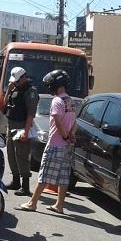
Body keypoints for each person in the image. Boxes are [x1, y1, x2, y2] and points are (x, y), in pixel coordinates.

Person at [19, 70, 77, 214]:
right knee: (64, 176)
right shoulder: (69, 100)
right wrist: (71, 136)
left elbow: (58, 121)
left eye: (50, 85)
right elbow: (75, 122)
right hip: (67, 145)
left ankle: (32, 203)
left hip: (56, 144)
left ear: (55, 84)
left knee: (44, 174)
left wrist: (64, 136)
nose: (48, 88)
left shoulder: (57, 101)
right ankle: (59, 205)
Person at [3, 67, 39, 196]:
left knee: (22, 155)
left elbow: (31, 113)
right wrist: (8, 90)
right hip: (11, 124)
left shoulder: (31, 91)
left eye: (17, 81)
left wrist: (26, 130)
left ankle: (25, 186)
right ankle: (16, 181)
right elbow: (3, 106)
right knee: (11, 154)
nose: (15, 82)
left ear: (24, 77)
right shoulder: (15, 88)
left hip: (22, 125)